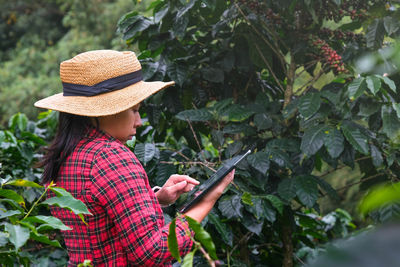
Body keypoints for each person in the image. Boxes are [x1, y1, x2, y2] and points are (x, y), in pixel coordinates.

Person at [34, 50, 234, 266]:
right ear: (103, 111)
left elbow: (96, 216)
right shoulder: (111, 157)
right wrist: (208, 198)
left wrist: (154, 199)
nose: (139, 121)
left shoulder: (67, 154)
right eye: (134, 110)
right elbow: (154, 252)